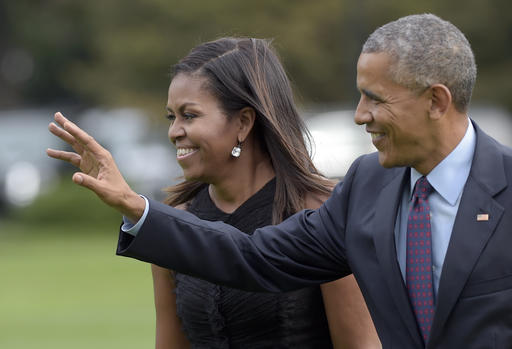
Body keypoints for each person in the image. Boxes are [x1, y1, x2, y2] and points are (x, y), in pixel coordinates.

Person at [46, 13, 512, 348]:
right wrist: (137, 208)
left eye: (375, 99)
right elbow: (255, 257)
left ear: (436, 101)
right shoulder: (366, 187)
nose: (359, 115)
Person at [47, 38, 380, 348]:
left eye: (189, 115)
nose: (174, 131)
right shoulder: (175, 216)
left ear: (243, 123)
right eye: (171, 117)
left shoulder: (322, 211)